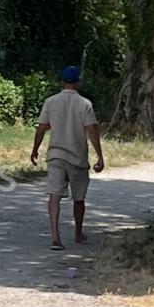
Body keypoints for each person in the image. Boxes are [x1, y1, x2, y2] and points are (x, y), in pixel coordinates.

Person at [30, 66, 105, 249]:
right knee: (78, 198)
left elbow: (41, 127)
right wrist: (100, 156)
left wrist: (35, 149)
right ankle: (78, 233)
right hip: (77, 156)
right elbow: (92, 130)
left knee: (54, 195)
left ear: (62, 81)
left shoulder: (50, 102)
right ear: (78, 82)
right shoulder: (84, 104)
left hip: (55, 155)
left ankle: (55, 237)